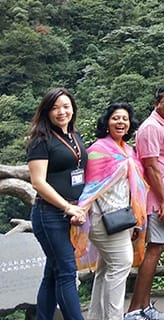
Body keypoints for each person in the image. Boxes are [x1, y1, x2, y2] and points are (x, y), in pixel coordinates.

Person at [71, 102, 147, 320]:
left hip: (121, 218)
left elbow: (133, 188)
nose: (120, 122)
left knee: (105, 269)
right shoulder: (98, 150)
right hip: (101, 218)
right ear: (107, 122)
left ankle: (96, 316)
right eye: (115, 118)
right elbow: (90, 189)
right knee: (121, 264)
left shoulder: (128, 150)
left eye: (124, 118)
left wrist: (136, 220)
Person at [27, 88, 87, 320]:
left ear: (73, 108)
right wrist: (66, 206)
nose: (61, 112)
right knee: (66, 272)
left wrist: (79, 206)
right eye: (55, 107)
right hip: (49, 214)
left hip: (70, 212)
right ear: (46, 111)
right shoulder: (41, 140)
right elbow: (38, 182)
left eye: (66, 106)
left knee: (52, 273)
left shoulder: (74, 136)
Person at [126, 86, 164, 320]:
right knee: (154, 251)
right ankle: (135, 310)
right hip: (157, 201)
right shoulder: (151, 127)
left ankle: (144, 307)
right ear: (156, 103)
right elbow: (151, 167)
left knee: (155, 251)